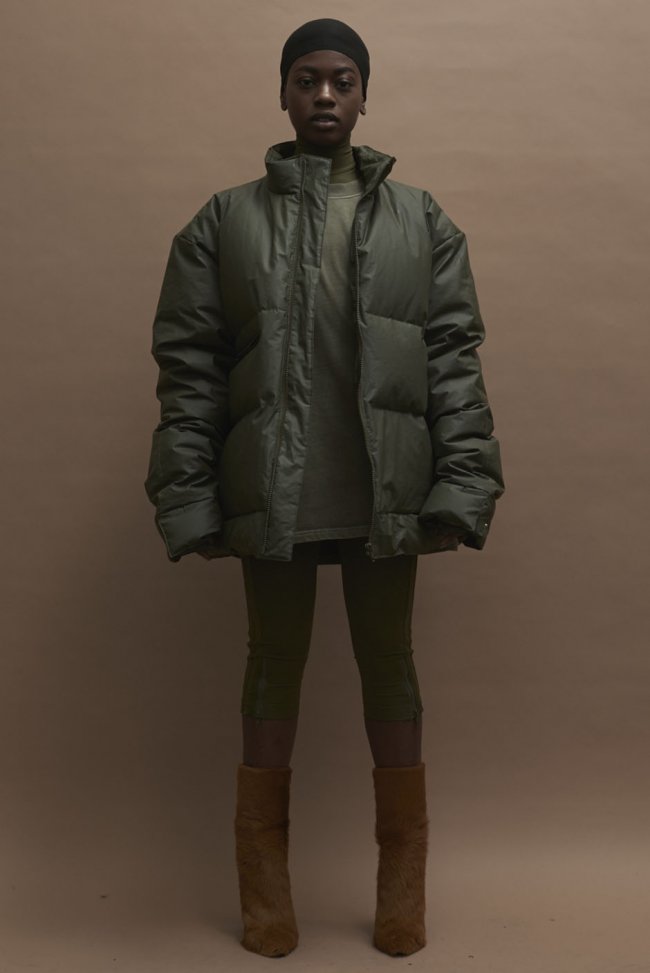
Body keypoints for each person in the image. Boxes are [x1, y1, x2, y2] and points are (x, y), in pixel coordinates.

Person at [144, 17, 504, 959]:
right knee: (272, 666)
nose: (326, 96)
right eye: (307, 79)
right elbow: (190, 368)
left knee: (392, 666)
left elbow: (453, 359)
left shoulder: (422, 219)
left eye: (343, 79)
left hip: (388, 492)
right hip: (276, 490)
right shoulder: (223, 221)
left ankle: (402, 891)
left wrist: (463, 484)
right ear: (283, 92)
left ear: (365, 93)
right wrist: (190, 498)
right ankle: (264, 894)